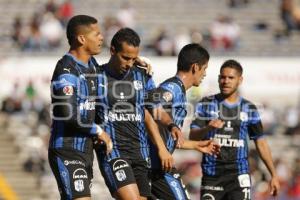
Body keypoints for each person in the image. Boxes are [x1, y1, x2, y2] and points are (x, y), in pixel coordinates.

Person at [94, 27, 173, 200]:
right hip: (113, 152)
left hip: (140, 153)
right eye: (125, 58)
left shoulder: (143, 76)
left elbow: (147, 113)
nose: (129, 63)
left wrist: (161, 148)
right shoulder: (96, 76)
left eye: (133, 58)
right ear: (112, 51)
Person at [189, 59, 280, 200]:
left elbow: (261, 143)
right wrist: (208, 127)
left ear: (240, 80)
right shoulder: (206, 103)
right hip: (212, 175)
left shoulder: (249, 108)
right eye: (223, 77)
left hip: (239, 176)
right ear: (219, 79)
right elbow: (193, 137)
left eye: (231, 78)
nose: (226, 81)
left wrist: (273, 175)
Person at [48, 15, 112, 200]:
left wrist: (136, 63)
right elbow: (67, 115)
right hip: (66, 149)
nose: (101, 38)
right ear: (82, 39)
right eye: (97, 34)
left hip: (85, 150)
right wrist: (98, 131)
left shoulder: (91, 65)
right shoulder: (66, 70)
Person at [146, 43, 219, 200]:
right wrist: (162, 149)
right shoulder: (172, 87)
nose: (205, 73)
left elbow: (170, 137)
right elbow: (152, 105)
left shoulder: (180, 92)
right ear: (195, 67)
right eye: (204, 68)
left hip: (159, 165)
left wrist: (196, 145)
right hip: (156, 167)